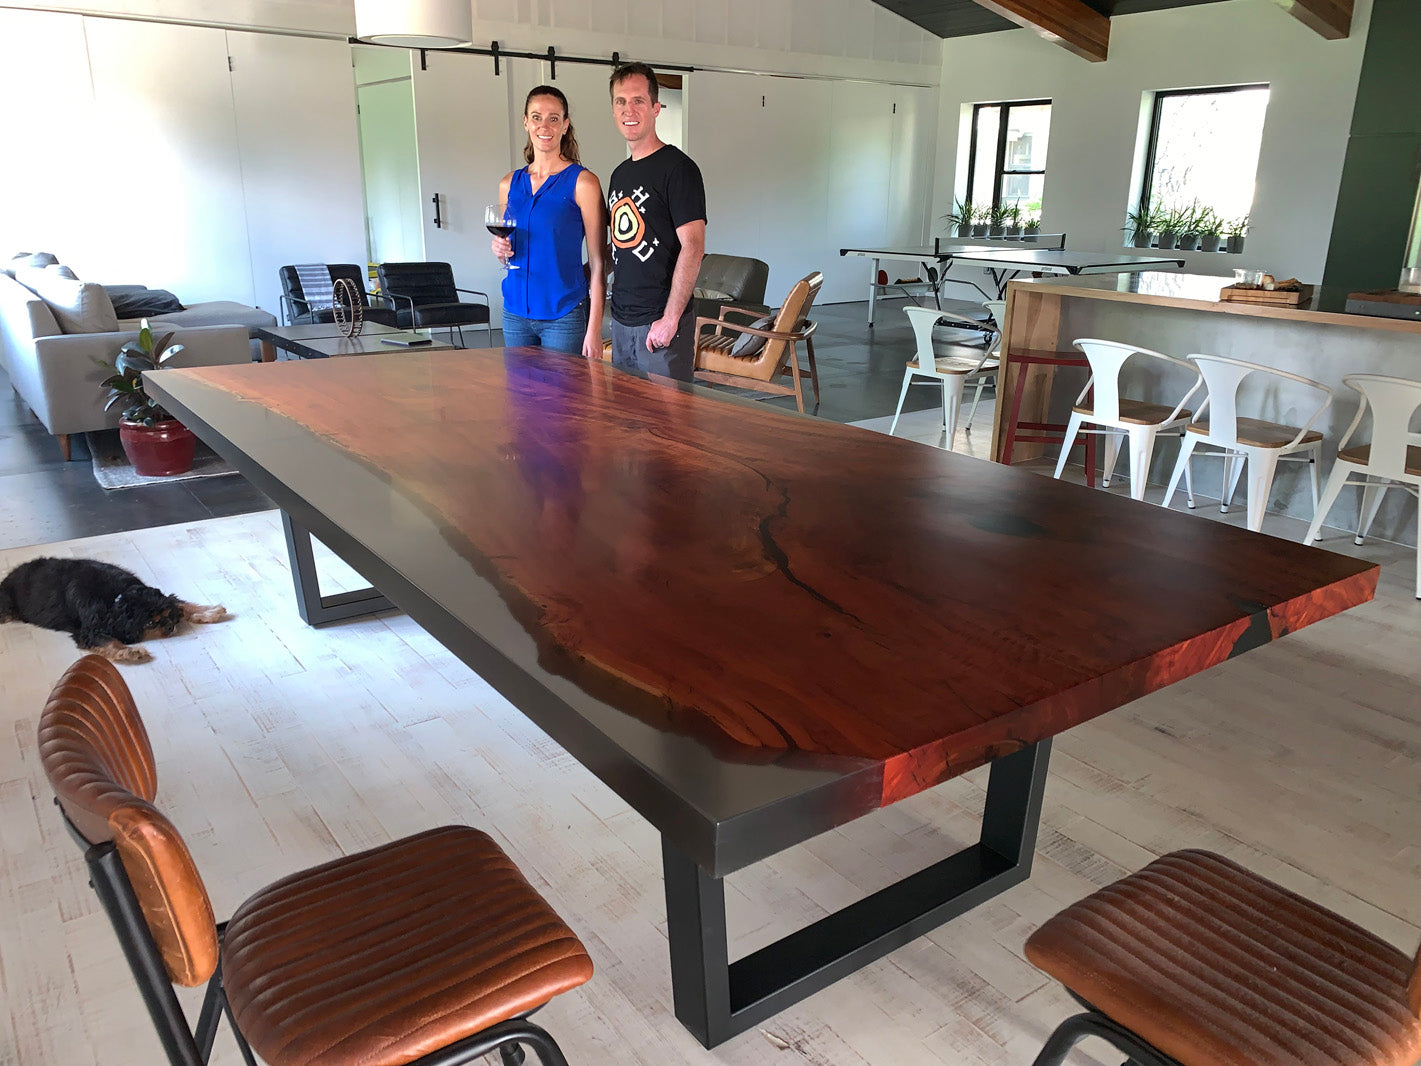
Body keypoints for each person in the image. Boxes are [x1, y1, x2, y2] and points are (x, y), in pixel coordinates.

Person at [605, 62, 706, 382]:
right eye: (621, 101)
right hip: (621, 322)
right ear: (613, 110)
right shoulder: (619, 175)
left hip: (660, 325)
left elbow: (693, 246)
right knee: (627, 423)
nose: (628, 109)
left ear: (655, 108)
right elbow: (621, 245)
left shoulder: (679, 169)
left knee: (669, 426)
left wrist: (671, 318)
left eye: (638, 100)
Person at [491, 85, 606, 360]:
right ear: (526, 122)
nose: (545, 126)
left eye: (554, 118)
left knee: (562, 402)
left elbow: (599, 262)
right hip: (515, 313)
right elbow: (507, 254)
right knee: (520, 399)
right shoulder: (509, 183)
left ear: (565, 125)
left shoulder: (583, 182)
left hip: (563, 315)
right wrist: (499, 251)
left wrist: (594, 329)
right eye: (536, 117)